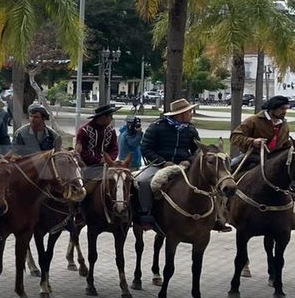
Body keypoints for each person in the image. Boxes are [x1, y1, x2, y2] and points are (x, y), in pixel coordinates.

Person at [136, 98, 230, 232]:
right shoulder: (156, 127)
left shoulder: (190, 130)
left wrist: (189, 161)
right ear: (180, 114)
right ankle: (145, 214)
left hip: (184, 165)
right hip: (159, 165)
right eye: (189, 112)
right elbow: (146, 148)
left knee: (210, 182)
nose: (191, 114)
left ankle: (217, 218)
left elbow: (197, 150)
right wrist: (163, 161)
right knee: (143, 181)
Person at [229, 95, 290, 172]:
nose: (284, 112)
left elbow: (285, 143)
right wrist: (252, 141)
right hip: (252, 157)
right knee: (229, 169)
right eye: (282, 109)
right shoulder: (253, 120)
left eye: (286, 109)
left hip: (275, 160)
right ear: (272, 108)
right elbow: (234, 137)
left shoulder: (284, 125)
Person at [75, 103, 121, 177]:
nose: (112, 119)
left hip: (107, 165)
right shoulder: (84, 131)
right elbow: (82, 152)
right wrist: (98, 161)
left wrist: (109, 159)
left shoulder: (111, 131)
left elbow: (114, 148)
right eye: (110, 116)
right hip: (88, 168)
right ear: (103, 117)